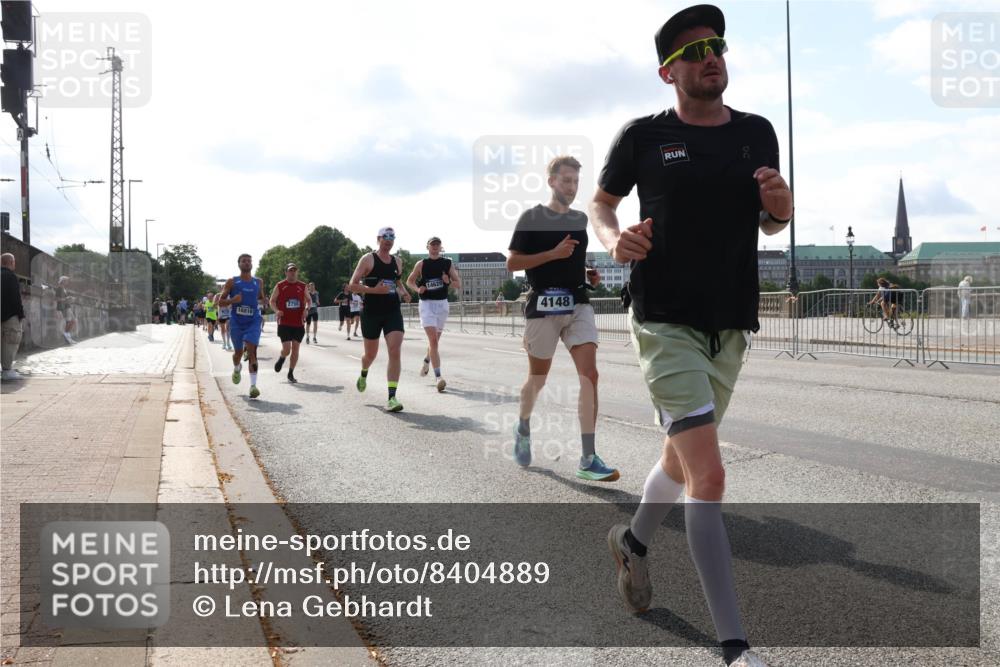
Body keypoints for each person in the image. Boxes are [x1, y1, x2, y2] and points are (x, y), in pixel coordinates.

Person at [589, 6, 790, 666]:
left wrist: (781, 208)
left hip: (730, 322)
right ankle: (734, 646)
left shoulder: (758, 133)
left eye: (717, 44)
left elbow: (769, 222)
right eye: (696, 49)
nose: (712, 55)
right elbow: (601, 203)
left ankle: (634, 543)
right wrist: (612, 237)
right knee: (709, 472)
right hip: (663, 316)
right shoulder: (644, 136)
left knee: (680, 459)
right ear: (668, 71)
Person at [507, 155, 618, 482]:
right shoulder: (531, 218)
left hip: (578, 304)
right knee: (538, 379)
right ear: (552, 181)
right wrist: (552, 255)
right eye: (566, 180)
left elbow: (571, 260)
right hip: (542, 306)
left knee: (590, 375)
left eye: (575, 182)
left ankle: (587, 457)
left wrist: (587, 274)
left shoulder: (581, 219)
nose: (571, 187)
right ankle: (523, 426)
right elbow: (513, 262)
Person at [348, 227, 412, 412]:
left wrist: (404, 292)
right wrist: (375, 290)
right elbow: (352, 286)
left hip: (392, 311)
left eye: (392, 237)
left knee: (395, 350)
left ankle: (392, 397)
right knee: (370, 355)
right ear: (378, 239)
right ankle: (364, 372)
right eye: (386, 237)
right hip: (371, 312)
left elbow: (397, 281)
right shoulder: (368, 259)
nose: (389, 240)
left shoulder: (397, 261)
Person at [407, 236, 462, 392]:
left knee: (434, 342)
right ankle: (439, 377)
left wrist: (448, 282)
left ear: (440, 247)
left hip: (442, 305)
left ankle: (427, 360)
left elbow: (458, 283)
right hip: (426, 305)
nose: (435, 247)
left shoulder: (447, 263)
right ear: (428, 247)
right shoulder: (421, 264)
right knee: (433, 341)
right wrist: (418, 289)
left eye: (438, 245)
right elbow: (409, 281)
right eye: (433, 245)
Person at [219, 254, 265, 399]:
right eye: (244, 261)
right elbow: (220, 302)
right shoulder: (232, 282)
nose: (247, 263)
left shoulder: (258, 282)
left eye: (249, 261)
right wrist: (233, 300)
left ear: (252, 264)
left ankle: (253, 386)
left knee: (252, 350)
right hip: (237, 322)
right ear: (239, 264)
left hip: (253, 321)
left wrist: (265, 301)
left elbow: (261, 298)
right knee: (238, 353)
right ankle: (237, 368)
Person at [269, 262, 308, 383]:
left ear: (297, 272)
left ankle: (291, 372)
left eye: (294, 270)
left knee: (296, 349)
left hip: (298, 323)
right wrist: (276, 310)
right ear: (286, 272)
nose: (292, 272)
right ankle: (282, 358)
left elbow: (308, 300)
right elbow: (272, 301)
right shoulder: (280, 285)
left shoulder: (302, 286)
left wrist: (306, 309)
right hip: (284, 322)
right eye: (290, 270)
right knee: (287, 349)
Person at [1, 253, 25, 381]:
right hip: (10, 315)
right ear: (11, 262)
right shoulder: (11, 276)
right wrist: (20, 314)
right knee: (10, 342)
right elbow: (16, 298)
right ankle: (6, 370)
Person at [55, 276, 77, 344]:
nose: (67, 282)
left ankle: (68, 337)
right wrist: (67, 299)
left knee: (71, 321)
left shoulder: (64, 289)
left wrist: (70, 299)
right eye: (66, 280)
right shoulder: (59, 288)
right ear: (62, 281)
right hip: (64, 308)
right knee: (71, 321)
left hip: (67, 307)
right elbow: (56, 299)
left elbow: (64, 299)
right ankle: (67, 337)